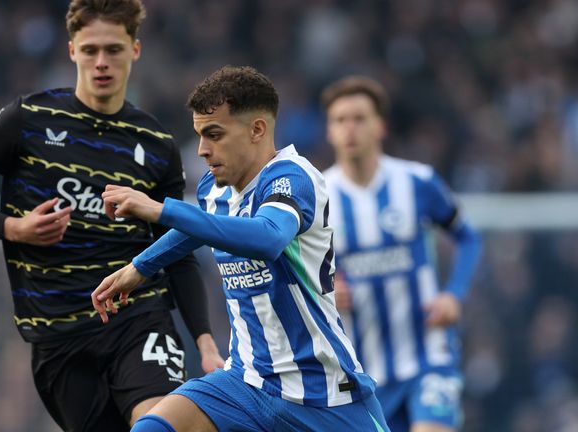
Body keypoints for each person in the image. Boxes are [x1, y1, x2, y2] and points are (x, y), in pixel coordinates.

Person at [0, 1, 223, 430]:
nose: (101, 62)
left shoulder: (156, 144)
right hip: (58, 332)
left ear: (135, 50)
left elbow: (176, 250)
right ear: (72, 51)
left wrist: (205, 341)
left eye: (113, 49)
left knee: (158, 424)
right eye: (90, 50)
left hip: (138, 317)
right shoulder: (27, 120)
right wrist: (13, 228)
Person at [92, 66, 389, 432]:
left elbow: (267, 238)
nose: (202, 150)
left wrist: (160, 209)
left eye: (214, 135)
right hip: (245, 384)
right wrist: (140, 267)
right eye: (200, 135)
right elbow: (202, 226)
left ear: (257, 130)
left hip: (323, 395)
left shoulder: (294, 177)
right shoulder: (214, 188)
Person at [319, 76, 483, 432]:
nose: (350, 129)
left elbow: (468, 238)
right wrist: (326, 291)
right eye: (340, 120)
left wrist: (454, 295)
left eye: (359, 118)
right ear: (329, 131)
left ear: (381, 126)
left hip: (428, 355)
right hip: (361, 372)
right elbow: (297, 270)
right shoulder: (317, 197)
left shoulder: (417, 182)